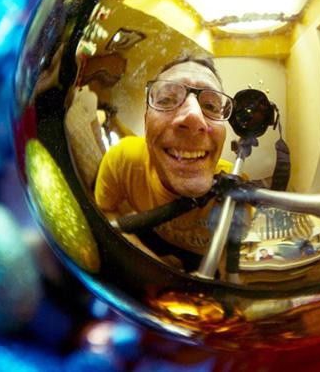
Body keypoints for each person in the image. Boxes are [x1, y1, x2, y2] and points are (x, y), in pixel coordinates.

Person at [94, 54, 234, 271]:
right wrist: (158, 267)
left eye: (210, 105)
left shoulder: (236, 191)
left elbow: (230, 263)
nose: (193, 118)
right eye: (167, 99)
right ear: (146, 118)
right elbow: (105, 213)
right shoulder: (123, 158)